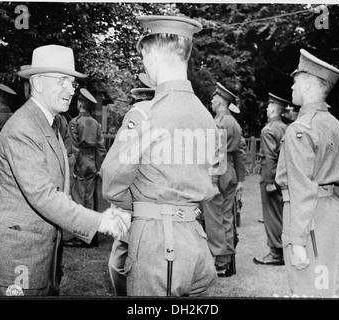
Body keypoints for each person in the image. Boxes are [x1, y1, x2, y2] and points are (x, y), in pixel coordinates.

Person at [0, 44, 130, 296]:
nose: (70, 89)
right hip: (18, 258)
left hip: (39, 255)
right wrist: (100, 221)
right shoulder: (23, 128)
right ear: (38, 83)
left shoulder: (49, 122)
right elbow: (43, 196)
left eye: (72, 82)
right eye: (62, 80)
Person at [101, 15, 219, 296]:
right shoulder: (206, 117)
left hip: (157, 244)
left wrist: (141, 207)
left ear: (151, 54)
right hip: (196, 239)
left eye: (143, 57)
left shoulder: (145, 114)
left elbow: (112, 180)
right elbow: (213, 175)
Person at [275, 49, 339, 298]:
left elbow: (301, 188)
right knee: (336, 291)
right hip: (337, 215)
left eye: (296, 80)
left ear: (308, 86)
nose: (292, 86)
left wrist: (297, 241)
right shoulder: (338, 127)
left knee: (309, 291)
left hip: (311, 221)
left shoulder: (300, 129)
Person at [108, 83, 156, 296]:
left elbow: (119, 166)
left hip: (134, 202)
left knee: (118, 261)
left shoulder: (136, 117)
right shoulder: (164, 120)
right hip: (155, 205)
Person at [202, 82, 244, 277]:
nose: (211, 101)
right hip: (230, 172)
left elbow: (216, 153)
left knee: (214, 219)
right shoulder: (233, 122)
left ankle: (220, 261)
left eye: (213, 98)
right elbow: (238, 154)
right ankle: (226, 260)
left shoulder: (219, 122)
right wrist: (241, 179)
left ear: (219, 101)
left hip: (218, 172)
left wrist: (211, 181)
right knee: (226, 217)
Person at [63, 88, 107, 248]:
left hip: (80, 161)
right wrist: (99, 167)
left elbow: (73, 148)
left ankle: (82, 236)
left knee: (79, 198)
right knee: (90, 199)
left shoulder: (74, 122)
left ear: (80, 103)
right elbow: (101, 147)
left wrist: (72, 168)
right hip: (92, 162)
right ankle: (92, 235)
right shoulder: (95, 123)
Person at [253, 93, 288, 266]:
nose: (266, 109)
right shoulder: (285, 127)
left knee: (272, 215)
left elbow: (269, 158)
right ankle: (281, 249)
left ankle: (275, 253)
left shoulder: (268, 130)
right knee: (280, 214)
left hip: (271, 178)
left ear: (274, 109)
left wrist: (270, 182)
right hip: (282, 177)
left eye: (268, 106)